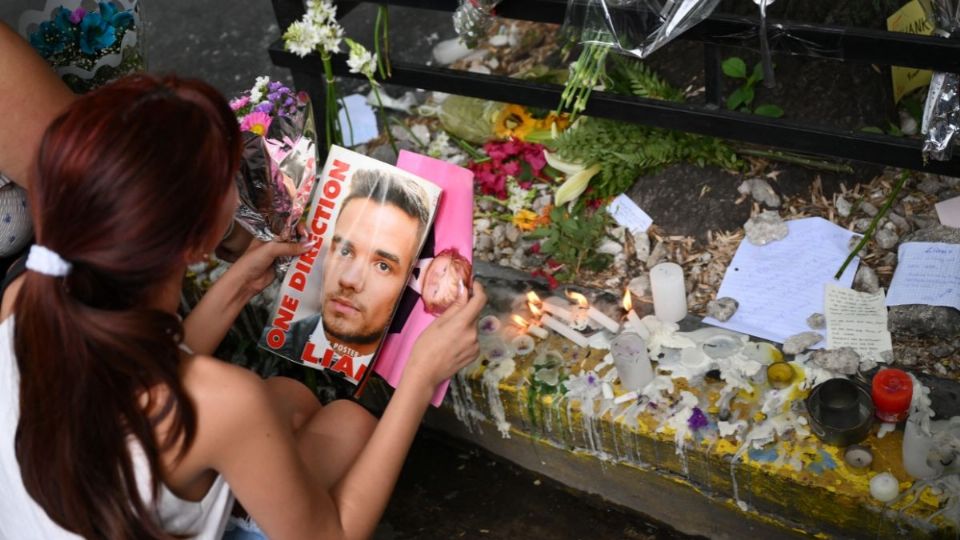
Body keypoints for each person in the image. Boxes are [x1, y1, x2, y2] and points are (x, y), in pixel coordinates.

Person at [0, 74, 485, 539]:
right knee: (338, 422)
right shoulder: (222, 401)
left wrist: (236, 287)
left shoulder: (28, 296)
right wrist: (419, 377)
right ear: (199, 238)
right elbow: (332, 533)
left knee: (294, 400)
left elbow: (136, 384)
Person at [275, 169, 432, 379]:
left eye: (383, 266)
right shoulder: (283, 340)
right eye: (345, 252)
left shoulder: (411, 374)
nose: (349, 280)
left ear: (410, 280)